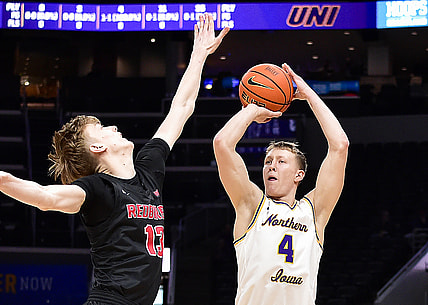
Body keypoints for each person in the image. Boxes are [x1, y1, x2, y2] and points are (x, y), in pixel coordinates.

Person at [0, 14, 229, 305]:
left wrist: (198, 55)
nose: (113, 127)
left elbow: (181, 108)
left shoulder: (148, 170)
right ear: (96, 147)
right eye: (102, 128)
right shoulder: (98, 190)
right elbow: (45, 197)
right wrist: (3, 180)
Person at [213, 63, 349, 305]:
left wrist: (309, 95)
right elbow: (222, 143)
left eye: (281, 161)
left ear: (299, 175)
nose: (271, 166)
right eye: (267, 161)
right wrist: (253, 108)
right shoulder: (251, 204)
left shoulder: (314, 212)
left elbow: (340, 145)